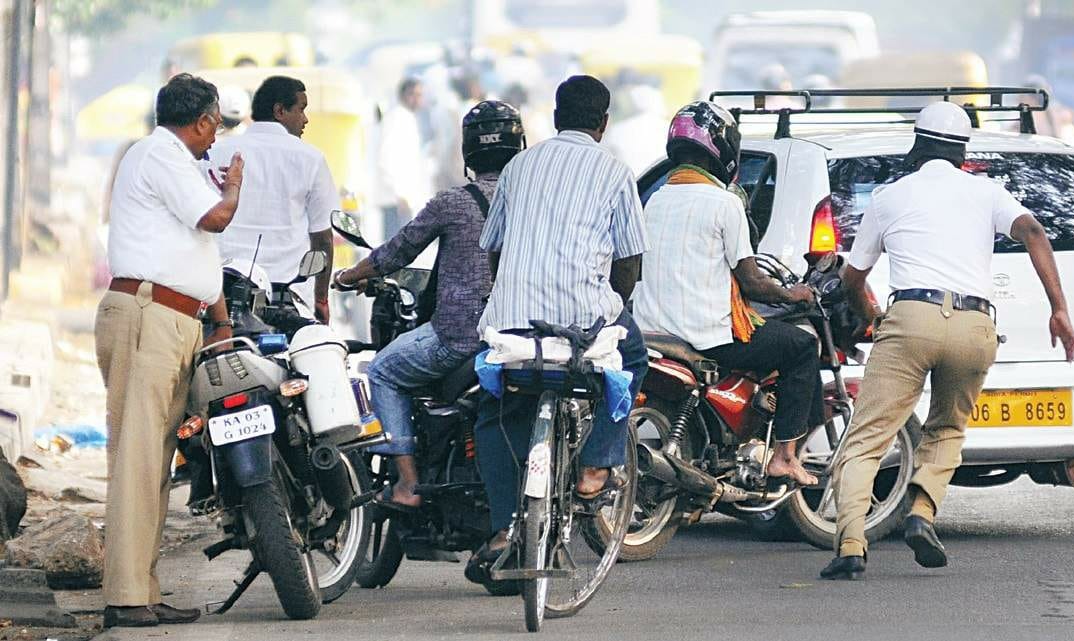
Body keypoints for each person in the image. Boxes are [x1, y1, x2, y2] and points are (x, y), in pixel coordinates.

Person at [820, 102, 1074, 580]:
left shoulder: (889, 197)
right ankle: (922, 512)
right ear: (963, 153)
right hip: (975, 326)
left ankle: (852, 544)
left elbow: (853, 279)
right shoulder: (986, 192)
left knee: (868, 437)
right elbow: (1034, 231)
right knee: (947, 430)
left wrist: (875, 317)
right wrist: (1059, 309)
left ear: (916, 146)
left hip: (911, 317)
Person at [465, 75, 648, 584]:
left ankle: (505, 527)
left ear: (553, 116)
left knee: (495, 410)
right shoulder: (614, 171)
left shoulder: (518, 167)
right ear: (603, 123)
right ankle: (595, 465)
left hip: (513, 321)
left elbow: (494, 247)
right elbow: (629, 261)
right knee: (633, 358)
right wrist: (616, 307)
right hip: (583, 320)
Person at [98, 73, 244, 628]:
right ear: (203, 119)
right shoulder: (158, 154)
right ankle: (126, 596)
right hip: (147, 315)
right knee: (138, 460)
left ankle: (143, 588)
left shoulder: (176, 163)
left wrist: (221, 320)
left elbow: (199, 246)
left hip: (173, 317)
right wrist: (233, 185)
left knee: (155, 462)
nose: (217, 138)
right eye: (215, 127)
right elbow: (215, 219)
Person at [332, 100, 526, 507]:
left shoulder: (453, 202)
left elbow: (396, 252)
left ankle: (406, 485)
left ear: (469, 150)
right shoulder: (537, 201)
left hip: (459, 338)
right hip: (523, 337)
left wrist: (347, 276)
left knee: (382, 370)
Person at [634, 100, 819, 485]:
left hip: (653, 333)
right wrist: (793, 295)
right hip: (707, 336)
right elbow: (751, 282)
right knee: (800, 347)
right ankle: (785, 456)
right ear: (722, 150)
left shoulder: (652, 201)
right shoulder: (724, 203)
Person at [204, 76, 338, 322]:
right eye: (301, 109)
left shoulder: (217, 153)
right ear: (280, 111)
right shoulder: (311, 159)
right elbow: (323, 239)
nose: (305, 119)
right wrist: (321, 300)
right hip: (289, 299)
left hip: (223, 296)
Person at [377, 77, 433, 240]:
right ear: (402, 96)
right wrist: (399, 194)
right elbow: (386, 158)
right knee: (393, 249)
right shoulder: (396, 118)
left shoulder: (408, 118)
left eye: (419, 95)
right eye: (412, 95)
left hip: (405, 199)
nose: (417, 99)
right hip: (395, 199)